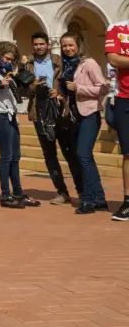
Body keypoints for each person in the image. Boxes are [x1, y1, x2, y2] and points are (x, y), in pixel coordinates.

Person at [0, 42, 40, 210]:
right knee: (7, 155)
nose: (9, 61)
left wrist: (24, 79)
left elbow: (18, 90)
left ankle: (18, 193)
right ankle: (5, 195)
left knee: (15, 155)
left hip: (11, 114)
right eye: (7, 58)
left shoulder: (8, 70)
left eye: (12, 59)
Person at [25, 32, 82, 206]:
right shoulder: (28, 65)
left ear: (48, 45)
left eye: (42, 44)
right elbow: (22, 92)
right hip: (39, 113)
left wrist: (60, 93)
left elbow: (70, 81)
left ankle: (82, 191)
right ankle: (62, 192)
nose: (38, 47)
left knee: (70, 152)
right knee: (49, 154)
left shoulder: (60, 60)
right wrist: (33, 87)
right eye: (35, 44)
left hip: (60, 111)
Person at [59, 33, 110, 216]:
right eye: (64, 46)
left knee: (82, 155)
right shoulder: (66, 66)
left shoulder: (88, 63)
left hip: (89, 113)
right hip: (74, 115)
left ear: (78, 45)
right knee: (86, 157)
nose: (67, 49)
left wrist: (79, 88)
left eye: (70, 45)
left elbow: (103, 87)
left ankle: (88, 200)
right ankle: (99, 199)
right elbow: (69, 92)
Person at [105, 22, 129, 223]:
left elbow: (121, 59)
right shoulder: (118, 29)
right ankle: (128, 202)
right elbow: (113, 59)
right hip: (125, 99)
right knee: (128, 153)